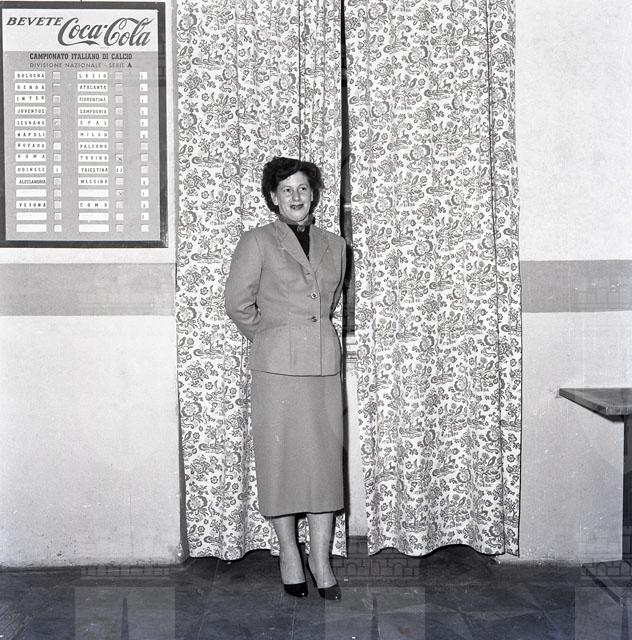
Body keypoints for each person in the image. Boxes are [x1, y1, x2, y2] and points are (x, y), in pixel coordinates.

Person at [224, 156, 346, 600]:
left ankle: (321, 560)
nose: (296, 197)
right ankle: (289, 556)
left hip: (323, 368)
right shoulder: (256, 241)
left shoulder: (337, 245)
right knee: (280, 463)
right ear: (273, 198)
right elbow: (237, 304)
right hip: (276, 370)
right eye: (286, 190)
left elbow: (329, 302)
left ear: (313, 195)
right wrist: (275, 337)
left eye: (303, 189)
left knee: (323, 466)